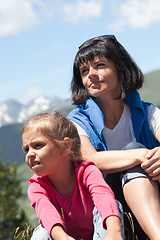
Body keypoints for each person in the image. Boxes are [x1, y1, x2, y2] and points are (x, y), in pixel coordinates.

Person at [67, 35, 160, 239]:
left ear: (120, 68)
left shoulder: (146, 111)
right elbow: (91, 159)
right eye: (84, 71)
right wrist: (140, 155)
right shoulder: (77, 121)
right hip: (108, 209)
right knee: (134, 151)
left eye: (99, 65)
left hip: (152, 196)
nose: (91, 74)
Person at [21, 111, 123, 240]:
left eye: (38, 145)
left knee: (112, 206)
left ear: (65, 146)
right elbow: (47, 213)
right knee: (42, 232)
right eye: (26, 149)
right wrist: (63, 237)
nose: (30, 154)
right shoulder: (37, 186)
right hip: (63, 236)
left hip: (99, 234)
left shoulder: (87, 171)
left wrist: (114, 231)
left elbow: (103, 196)